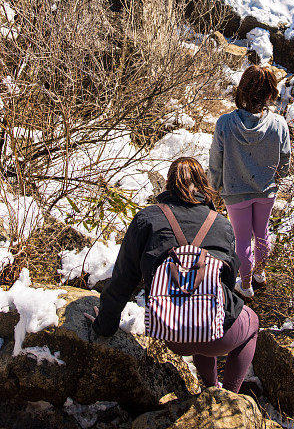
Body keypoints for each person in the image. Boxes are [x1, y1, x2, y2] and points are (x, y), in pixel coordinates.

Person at [87, 156, 258, 394]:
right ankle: (229, 396)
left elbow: (123, 279)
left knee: (192, 312)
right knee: (251, 322)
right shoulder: (221, 225)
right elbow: (226, 288)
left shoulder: (147, 219)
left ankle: (209, 387)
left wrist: (103, 326)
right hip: (215, 334)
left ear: (169, 184)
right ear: (203, 184)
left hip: (171, 332)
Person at [209, 65, 291, 299]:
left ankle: (245, 286)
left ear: (242, 90)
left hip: (235, 193)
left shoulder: (225, 123)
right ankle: (259, 274)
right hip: (266, 190)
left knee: (242, 239)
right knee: (262, 234)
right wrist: (278, 177)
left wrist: (213, 188)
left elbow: (216, 160)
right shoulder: (278, 124)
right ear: (269, 94)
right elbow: (285, 158)